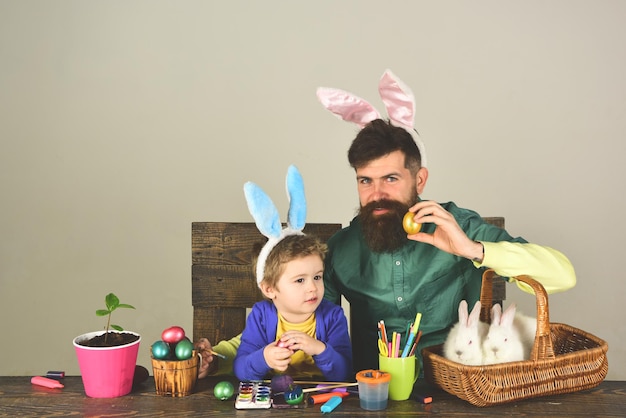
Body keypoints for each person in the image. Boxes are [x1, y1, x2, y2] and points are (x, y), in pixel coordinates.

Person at [195, 69, 576, 376]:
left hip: (457, 392)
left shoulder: (458, 227)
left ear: (419, 180)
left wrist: (471, 249)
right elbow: (295, 318)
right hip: (368, 394)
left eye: (391, 179)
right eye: (365, 181)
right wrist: (222, 357)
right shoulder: (343, 249)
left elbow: (563, 276)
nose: (376, 194)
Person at [233, 233, 352, 381]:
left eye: (317, 277)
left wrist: (320, 349)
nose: (312, 288)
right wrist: (264, 358)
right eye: (300, 280)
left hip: (320, 398)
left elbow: (345, 372)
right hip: (274, 397)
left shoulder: (333, 316)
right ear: (269, 289)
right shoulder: (261, 316)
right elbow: (241, 369)